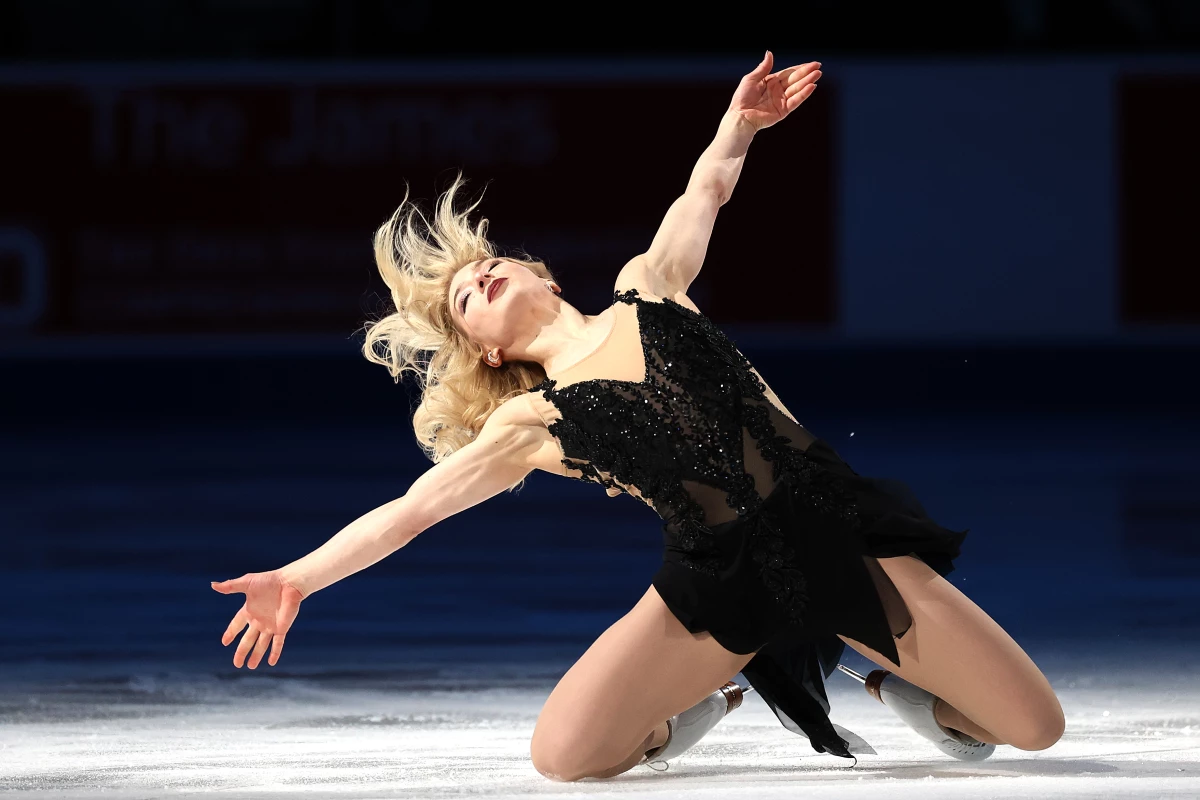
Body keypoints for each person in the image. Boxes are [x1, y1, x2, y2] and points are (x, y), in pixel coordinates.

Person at [210, 52, 1065, 781]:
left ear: (542, 275)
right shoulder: (528, 424)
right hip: (718, 582)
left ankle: (890, 683)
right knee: (565, 753)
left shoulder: (648, 288)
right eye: (464, 298)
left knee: (1031, 729)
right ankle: (709, 696)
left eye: (491, 265)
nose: (479, 278)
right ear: (486, 353)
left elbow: (707, 192)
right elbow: (410, 514)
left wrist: (739, 126)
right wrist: (296, 579)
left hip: (834, 529)